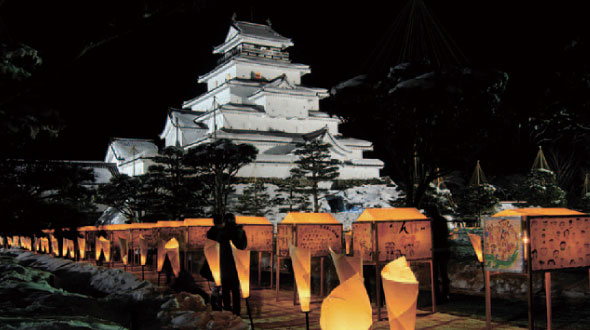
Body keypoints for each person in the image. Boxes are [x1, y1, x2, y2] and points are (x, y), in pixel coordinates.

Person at [206, 212, 247, 316]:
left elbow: (211, 239)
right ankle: (236, 311)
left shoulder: (222, 233)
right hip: (237, 264)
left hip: (223, 264)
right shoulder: (240, 231)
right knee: (235, 290)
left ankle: (228, 310)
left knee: (225, 290)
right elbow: (243, 247)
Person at [426, 205, 451, 304]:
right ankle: (445, 293)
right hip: (444, 249)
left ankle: (436, 295)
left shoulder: (430, 222)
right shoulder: (443, 220)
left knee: (435, 274)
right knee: (444, 272)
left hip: (435, 250)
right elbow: (446, 234)